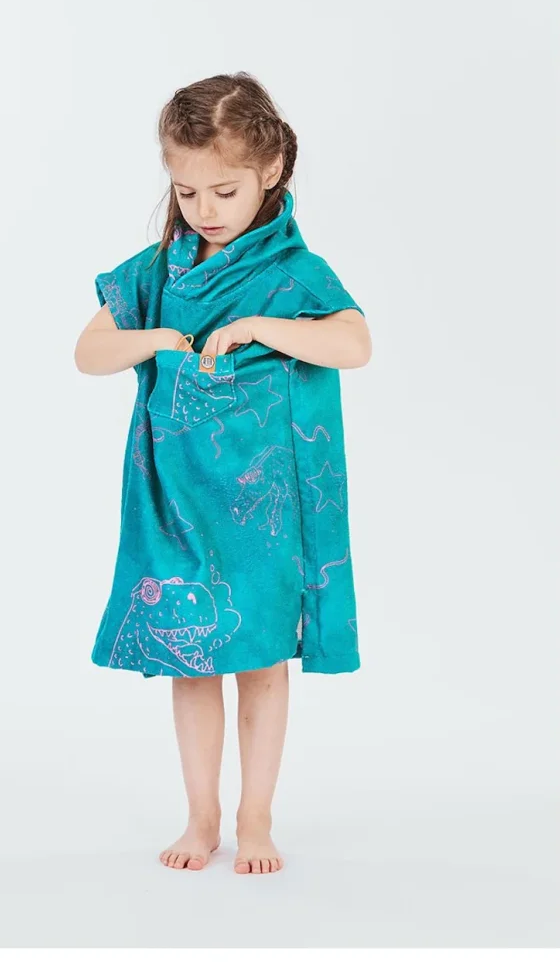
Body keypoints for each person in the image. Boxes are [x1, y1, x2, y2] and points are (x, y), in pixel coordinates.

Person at [75, 72, 371, 875]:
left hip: (263, 508)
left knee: (261, 661)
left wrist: (262, 326)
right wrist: (154, 340)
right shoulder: (157, 272)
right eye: (186, 191)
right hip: (175, 499)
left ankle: (257, 818)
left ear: (272, 171)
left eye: (225, 190)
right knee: (191, 660)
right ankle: (201, 815)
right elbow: (89, 352)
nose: (204, 209)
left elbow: (353, 343)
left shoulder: (294, 274)